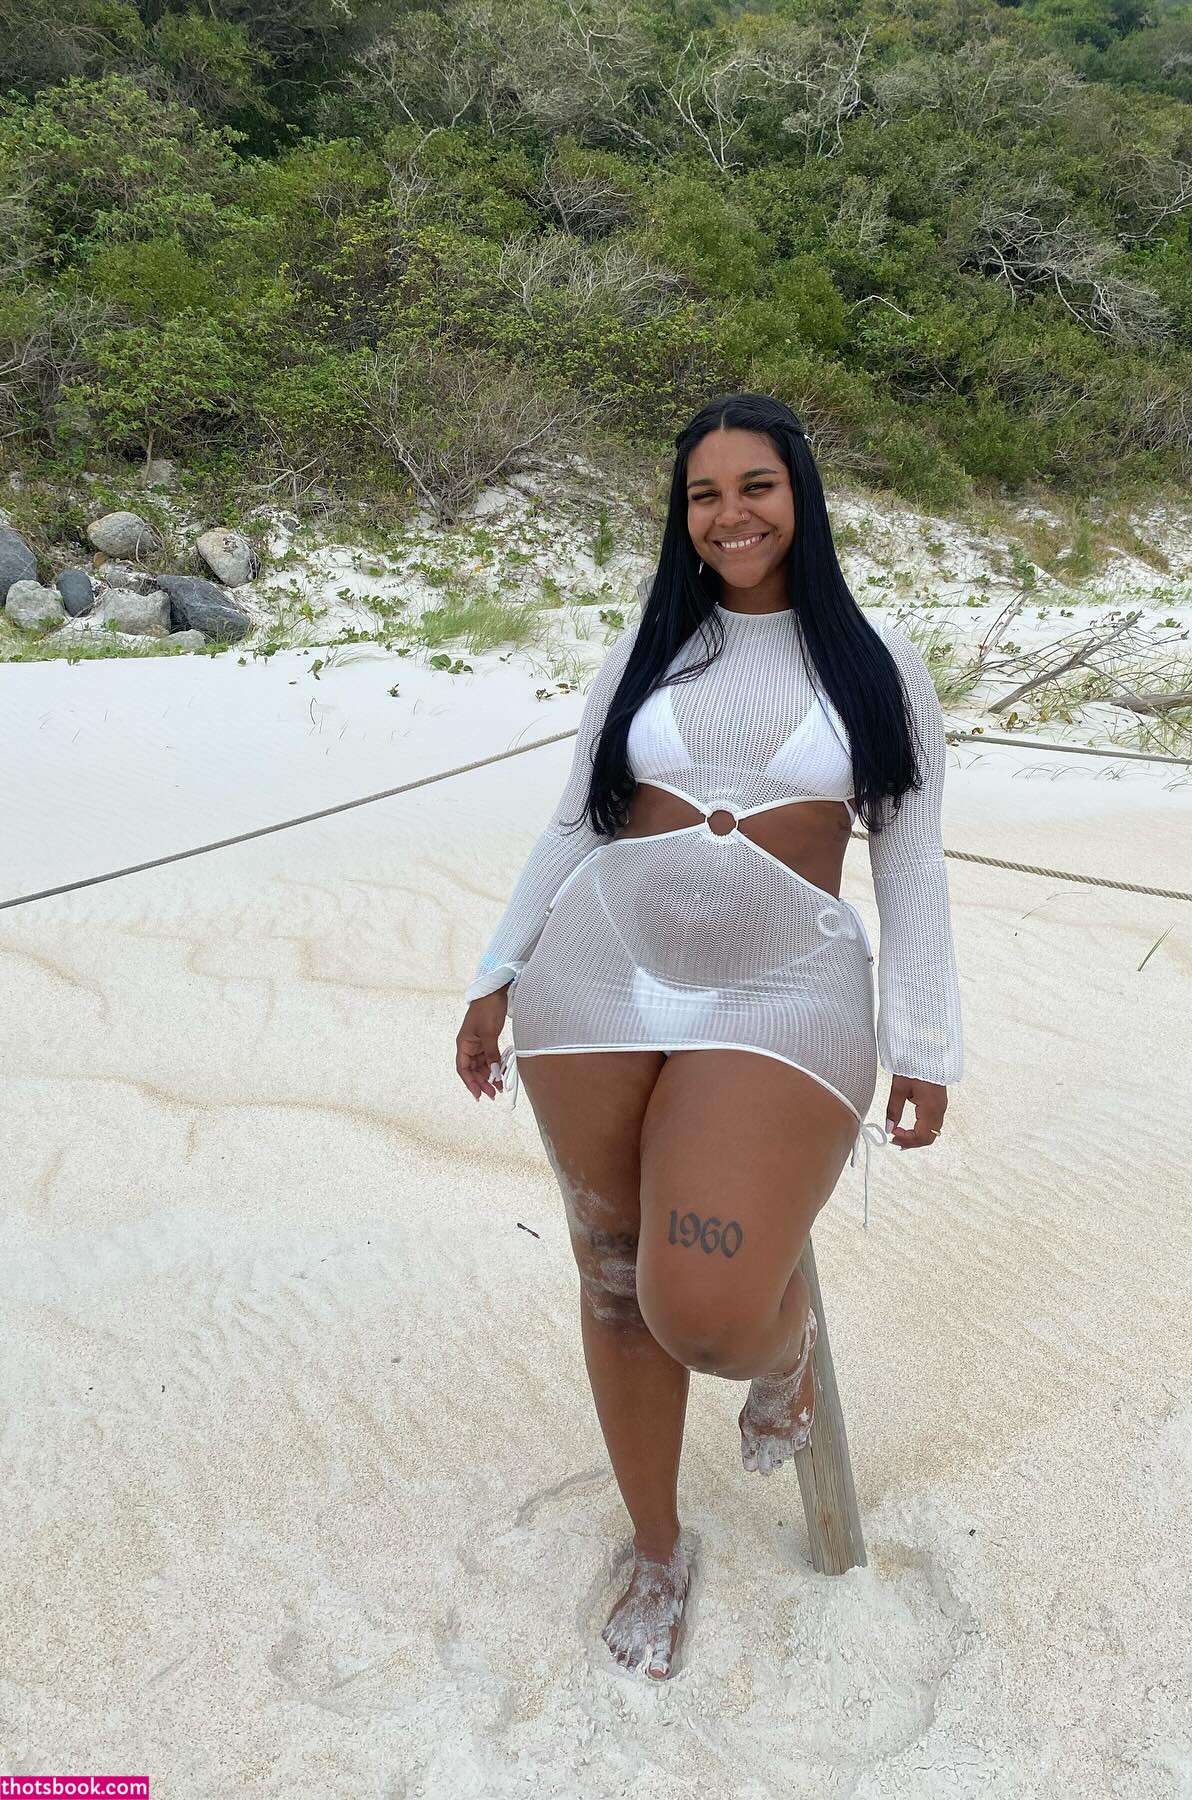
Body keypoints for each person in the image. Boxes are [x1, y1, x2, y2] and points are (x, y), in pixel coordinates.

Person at [455, 392, 964, 1682]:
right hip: (601, 969)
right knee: (612, 1275)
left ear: (801, 497)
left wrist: (926, 1042)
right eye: (704, 495)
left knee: (713, 1310)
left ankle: (784, 1353)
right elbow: (578, 818)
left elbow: (910, 862)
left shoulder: (878, 665)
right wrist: (496, 973)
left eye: (755, 487)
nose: (730, 515)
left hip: (783, 988)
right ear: (682, 516)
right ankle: (657, 1543)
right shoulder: (650, 646)